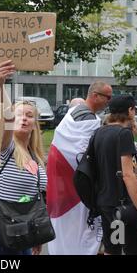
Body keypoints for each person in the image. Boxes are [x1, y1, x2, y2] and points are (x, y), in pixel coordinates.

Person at [0, 60, 47, 255]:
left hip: (25, 224)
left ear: (35, 123)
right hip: (1, 223)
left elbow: (37, 197)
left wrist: (37, 232)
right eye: (20, 114)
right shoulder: (6, 146)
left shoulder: (35, 155)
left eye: (30, 115)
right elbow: (7, 119)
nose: (24, 118)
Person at [46, 81, 112, 254]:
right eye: (108, 97)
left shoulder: (72, 116)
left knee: (65, 234)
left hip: (61, 189)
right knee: (78, 235)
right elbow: (87, 157)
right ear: (95, 96)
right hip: (76, 191)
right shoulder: (88, 120)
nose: (109, 101)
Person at [94, 95, 137, 255]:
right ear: (130, 110)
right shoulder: (123, 134)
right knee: (134, 249)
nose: (134, 112)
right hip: (123, 207)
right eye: (134, 109)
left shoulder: (99, 132)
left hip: (107, 205)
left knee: (113, 249)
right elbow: (128, 175)